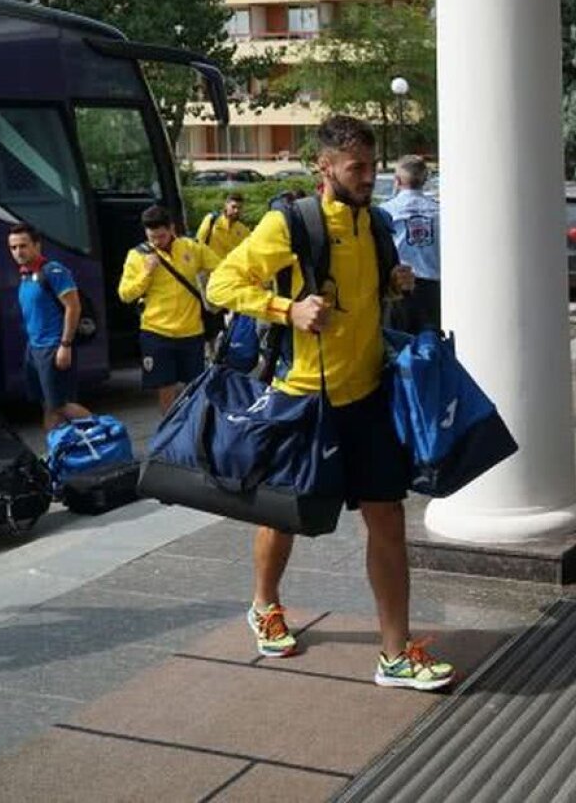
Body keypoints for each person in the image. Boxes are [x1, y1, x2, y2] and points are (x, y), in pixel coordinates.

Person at [207, 114, 454, 691]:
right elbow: (221, 284)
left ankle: (394, 653)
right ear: (325, 167)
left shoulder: (377, 224)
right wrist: (285, 309)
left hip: (368, 394)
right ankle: (265, 604)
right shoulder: (290, 223)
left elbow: (367, 293)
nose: (369, 177)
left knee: (387, 518)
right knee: (284, 514)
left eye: (372, 166)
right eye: (357, 168)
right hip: (304, 399)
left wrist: (393, 284)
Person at [118, 205, 221, 414]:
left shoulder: (191, 247)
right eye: (152, 236)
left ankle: (194, 433)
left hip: (191, 331)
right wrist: (146, 272)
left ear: (172, 229)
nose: (157, 241)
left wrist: (216, 291)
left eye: (162, 236)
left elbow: (221, 268)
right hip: (157, 332)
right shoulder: (138, 255)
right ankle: (170, 435)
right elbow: (125, 294)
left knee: (195, 387)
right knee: (166, 388)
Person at [6, 223, 93, 433]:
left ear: (37, 245)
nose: (18, 252)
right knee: (47, 404)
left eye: (23, 246)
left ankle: (108, 432)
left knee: (60, 405)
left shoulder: (53, 271)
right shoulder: (26, 275)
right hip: (34, 349)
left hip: (53, 347)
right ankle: (55, 453)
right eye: (14, 247)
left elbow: (73, 307)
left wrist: (65, 345)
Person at [381, 155, 441, 333]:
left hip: (399, 287)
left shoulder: (385, 211)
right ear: (424, 180)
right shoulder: (439, 212)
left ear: (397, 180)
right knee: (431, 347)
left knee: (398, 347)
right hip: (432, 289)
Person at [195, 192, 249, 260]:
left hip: (228, 268)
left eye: (239, 208)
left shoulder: (243, 230)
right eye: (233, 207)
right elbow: (198, 243)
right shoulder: (212, 220)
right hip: (210, 266)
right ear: (226, 205)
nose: (236, 211)